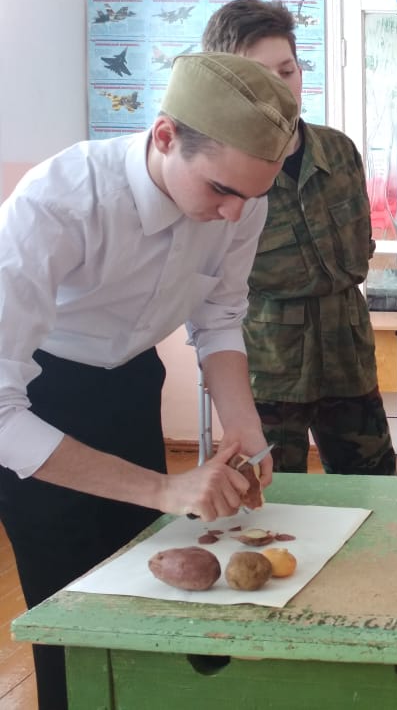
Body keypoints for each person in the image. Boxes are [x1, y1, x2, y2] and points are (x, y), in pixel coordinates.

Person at [0, 52, 298, 709]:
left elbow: (219, 318)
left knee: (148, 593)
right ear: (165, 136)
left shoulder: (239, 201)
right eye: (221, 191)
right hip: (39, 401)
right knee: (70, 618)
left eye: (251, 197)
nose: (234, 215)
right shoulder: (61, 200)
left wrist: (245, 429)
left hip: (131, 384)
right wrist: (165, 487)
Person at [202, 0, 396, 476]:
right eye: (259, 76)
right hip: (269, 370)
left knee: (373, 489)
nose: (280, 88)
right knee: (271, 497)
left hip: (348, 359)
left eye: (287, 71)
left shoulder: (338, 151)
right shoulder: (219, 172)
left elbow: (360, 249)